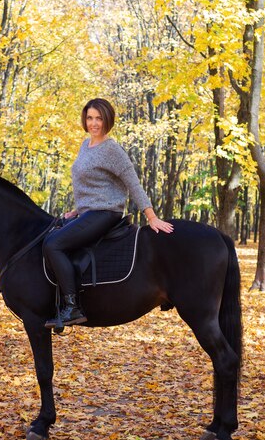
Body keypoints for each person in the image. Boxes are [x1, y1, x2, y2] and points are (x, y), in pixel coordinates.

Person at [43, 98, 174, 328]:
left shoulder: (111, 149)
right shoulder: (85, 145)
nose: (94, 123)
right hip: (88, 212)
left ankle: (72, 307)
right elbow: (93, 185)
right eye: (90, 117)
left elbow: (132, 183)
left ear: (107, 120)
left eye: (99, 118)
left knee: (53, 245)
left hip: (106, 213)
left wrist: (151, 216)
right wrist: (78, 210)